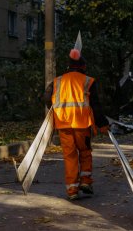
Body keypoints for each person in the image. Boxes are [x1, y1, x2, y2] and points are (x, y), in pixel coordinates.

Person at [44, 48, 110, 200]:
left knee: (70, 156)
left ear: (68, 66)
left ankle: (72, 190)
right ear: (83, 66)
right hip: (82, 123)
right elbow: (96, 104)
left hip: (63, 124)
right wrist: (102, 124)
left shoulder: (57, 81)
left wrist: (56, 112)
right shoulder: (88, 81)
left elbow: (47, 98)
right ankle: (86, 182)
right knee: (85, 152)